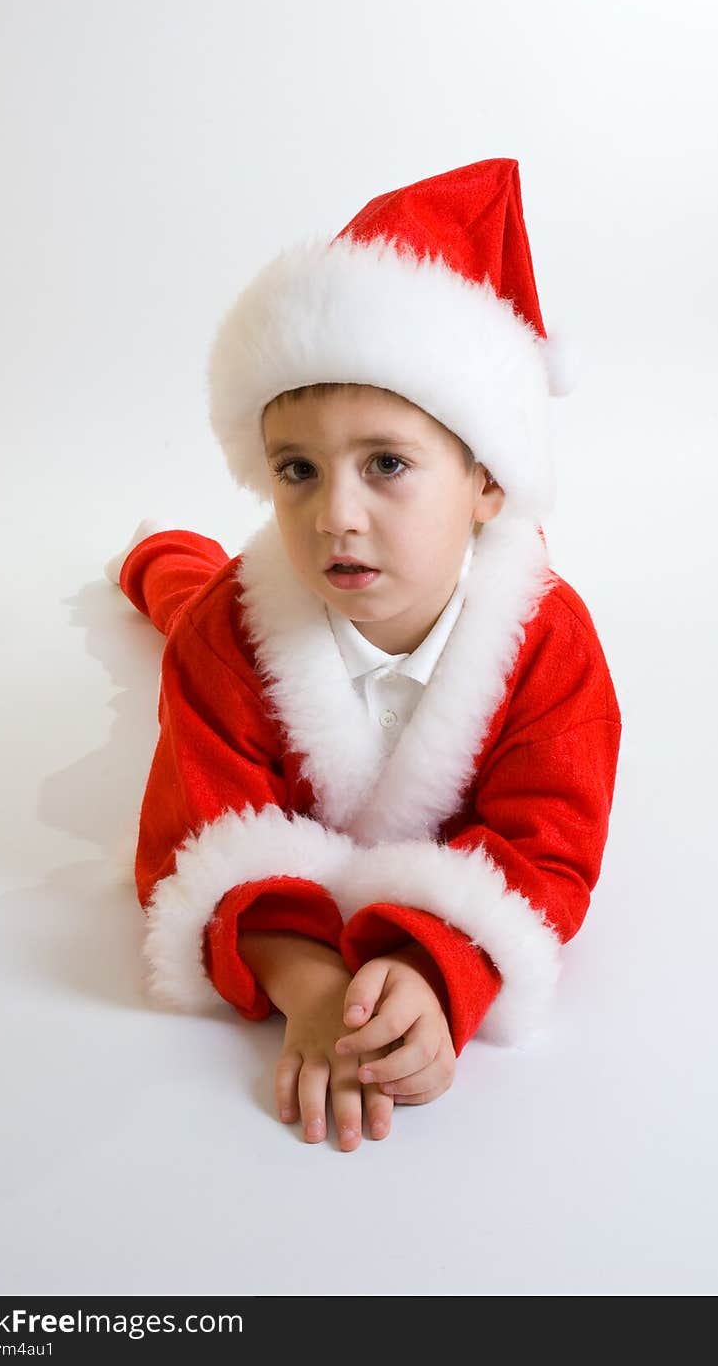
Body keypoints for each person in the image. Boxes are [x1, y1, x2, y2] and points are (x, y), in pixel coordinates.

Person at [105, 158, 622, 1153]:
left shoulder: (549, 646)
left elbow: (547, 843)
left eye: (386, 464)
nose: (335, 515)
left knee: (200, 599)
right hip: (216, 617)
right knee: (189, 598)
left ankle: (167, 557)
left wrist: (436, 967)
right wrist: (311, 980)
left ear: (485, 484)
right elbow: (193, 840)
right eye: (295, 470)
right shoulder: (230, 636)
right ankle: (157, 555)